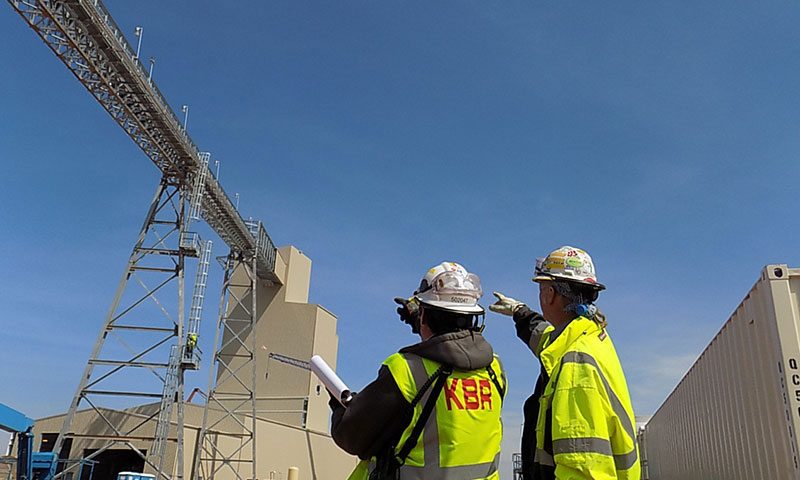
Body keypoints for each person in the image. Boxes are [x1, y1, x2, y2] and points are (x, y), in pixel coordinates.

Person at [330, 261, 506, 480]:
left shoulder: (407, 369)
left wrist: (340, 408)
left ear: (424, 315)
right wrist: (423, 321)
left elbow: (352, 437)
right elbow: (453, 346)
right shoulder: (494, 368)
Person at [490, 246, 640, 480]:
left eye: (541, 289)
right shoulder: (588, 335)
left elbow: (582, 467)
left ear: (549, 294)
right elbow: (545, 340)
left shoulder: (575, 365)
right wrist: (519, 312)